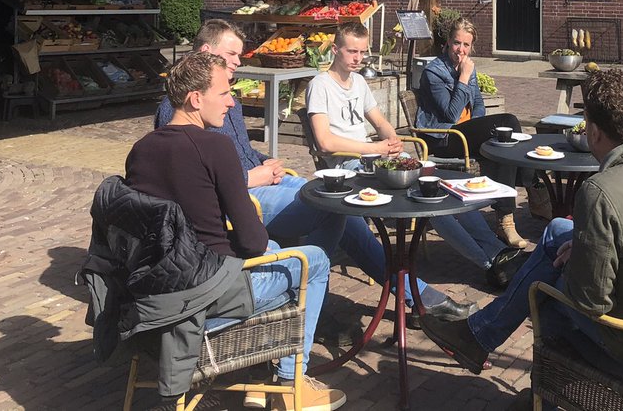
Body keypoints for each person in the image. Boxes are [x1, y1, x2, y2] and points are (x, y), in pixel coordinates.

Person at [420, 68, 623, 379]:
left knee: (542, 290)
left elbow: (590, 301)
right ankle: (481, 336)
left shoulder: (601, 191)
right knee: (557, 229)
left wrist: (580, 259)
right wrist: (585, 246)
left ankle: (544, 388)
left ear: (593, 133)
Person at [154, 20, 472, 322]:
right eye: (232, 54)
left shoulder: (223, 96)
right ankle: (397, 296)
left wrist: (265, 161)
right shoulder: (184, 106)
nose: (238, 61)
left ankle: (324, 297)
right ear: (207, 53)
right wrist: (252, 177)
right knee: (332, 208)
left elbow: (242, 150)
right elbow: (190, 183)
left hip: (261, 182)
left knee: (333, 203)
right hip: (243, 198)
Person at [124, 51, 343, 410]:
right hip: (208, 294)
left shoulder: (141, 150)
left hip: (154, 287)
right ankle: (292, 381)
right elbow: (252, 240)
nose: (231, 102)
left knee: (274, 246)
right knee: (313, 261)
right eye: (225, 92)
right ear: (196, 99)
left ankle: (258, 375)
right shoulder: (215, 147)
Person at [307, 22, 525, 289]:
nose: (358, 58)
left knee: (441, 189)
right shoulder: (320, 85)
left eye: (362, 52)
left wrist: (391, 138)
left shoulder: (359, 82)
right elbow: (325, 142)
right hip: (349, 168)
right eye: (352, 51)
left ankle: (498, 251)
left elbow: (380, 122)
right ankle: (489, 262)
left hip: (376, 160)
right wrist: (376, 148)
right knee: (427, 201)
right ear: (334, 49)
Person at [417, 17, 530, 249]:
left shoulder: (469, 66)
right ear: (447, 43)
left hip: (464, 133)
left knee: (503, 141)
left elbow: (478, 102)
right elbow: (450, 114)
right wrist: (464, 77)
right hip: (443, 137)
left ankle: (506, 218)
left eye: (466, 45)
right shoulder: (433, 72)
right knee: (509, 122)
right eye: (457, 43)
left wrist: (480, 130)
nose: (461, 50)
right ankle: (532, 191)